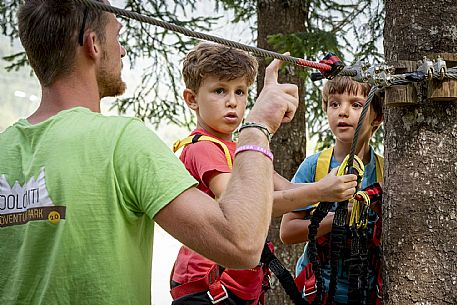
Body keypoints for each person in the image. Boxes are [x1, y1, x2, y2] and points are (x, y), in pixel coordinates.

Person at [0, 1, 300, 304]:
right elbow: (241, 244)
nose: (123, 50)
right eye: (117, 36)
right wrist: (258, 124)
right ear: (93, 44)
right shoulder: (121, 141)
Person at [169, 42, 359, 305]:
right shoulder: (203, 148)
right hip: (208, 288)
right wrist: (321, 191)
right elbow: (247, 208)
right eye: (219, 90)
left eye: (241, 91)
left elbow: (284, 188)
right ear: (192, 99)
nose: (232, 102)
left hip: (237, 287)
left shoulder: (241, 149)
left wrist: (334, 187)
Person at [280, 76, 384, 305]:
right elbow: (287, 231)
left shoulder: (384, 171)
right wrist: (339, 218)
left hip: (368, 292)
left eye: (356, 104)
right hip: (320, 292)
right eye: (334, 104)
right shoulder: (315, 167)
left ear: (378, 117)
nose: (342, 112)